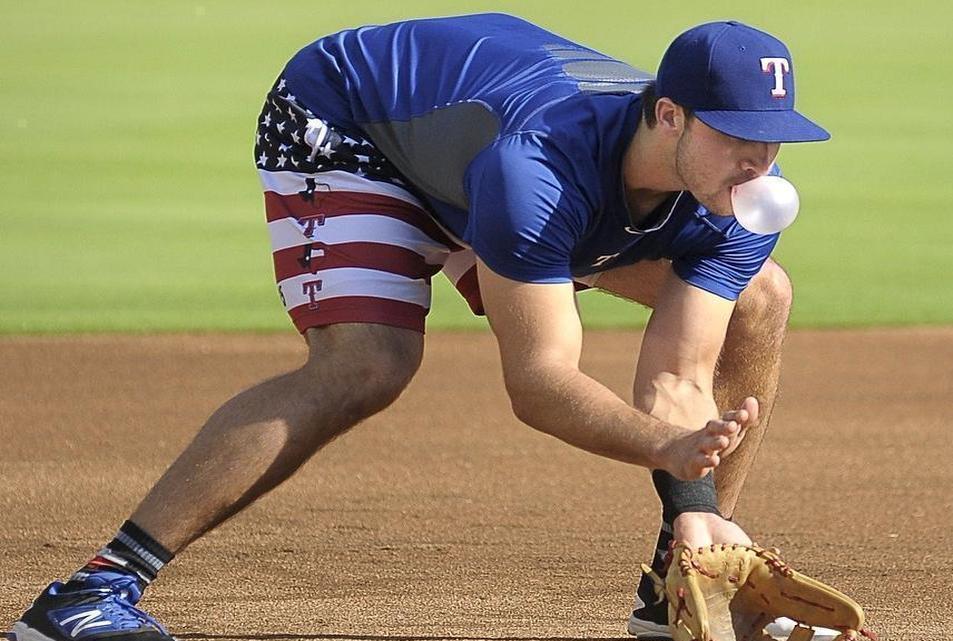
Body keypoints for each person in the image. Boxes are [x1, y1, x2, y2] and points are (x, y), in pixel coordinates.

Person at [7, 13, 829, 641]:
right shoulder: (536, 170)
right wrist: (661, 446)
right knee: (369, 362)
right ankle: (90, 592)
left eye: (774, 141)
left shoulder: (744, 196)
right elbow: (540, 383)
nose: (760, 165)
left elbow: (681, 378)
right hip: (352, 122)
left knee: (761, 296)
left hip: (475, 156)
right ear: (671, 116)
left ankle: (683, 585)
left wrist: (690, 499)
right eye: (738, 137)